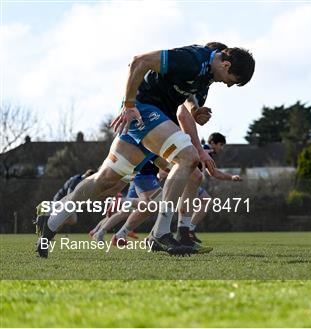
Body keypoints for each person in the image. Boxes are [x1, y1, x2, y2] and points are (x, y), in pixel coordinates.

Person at [36, 43, 255, 258]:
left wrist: (195, 112)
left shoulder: (206, 76)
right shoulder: (194, 58)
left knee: (105, 181)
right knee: (188, 158)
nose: (227, 85)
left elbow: (185, 103)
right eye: (232, 82)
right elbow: (139, 62)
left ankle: (51, 222)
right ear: (226, 65)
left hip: (152, 120)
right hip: (142, 112)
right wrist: (129, 105)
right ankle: (160, 234)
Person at [175, 132, 242, 245]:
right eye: (221, 145)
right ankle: (185, 231)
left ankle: (188, 229)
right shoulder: (204, 149)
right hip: (186, 182)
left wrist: (230, 177)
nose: (221, 148)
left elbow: (213, 173)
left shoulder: (207, 153)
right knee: (194, 204)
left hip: (190, 181)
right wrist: (231, 177)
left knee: (205, 201)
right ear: (212, 143)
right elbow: (214, 172)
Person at [34, 169, 95, 235]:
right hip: (61, 200)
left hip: (65, 201)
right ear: (88, 177)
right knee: (72, 219)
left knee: (63, 221)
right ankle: (45, 219)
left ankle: (47, 232)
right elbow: (70, 195)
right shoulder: (77, 180)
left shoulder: (79, 179)